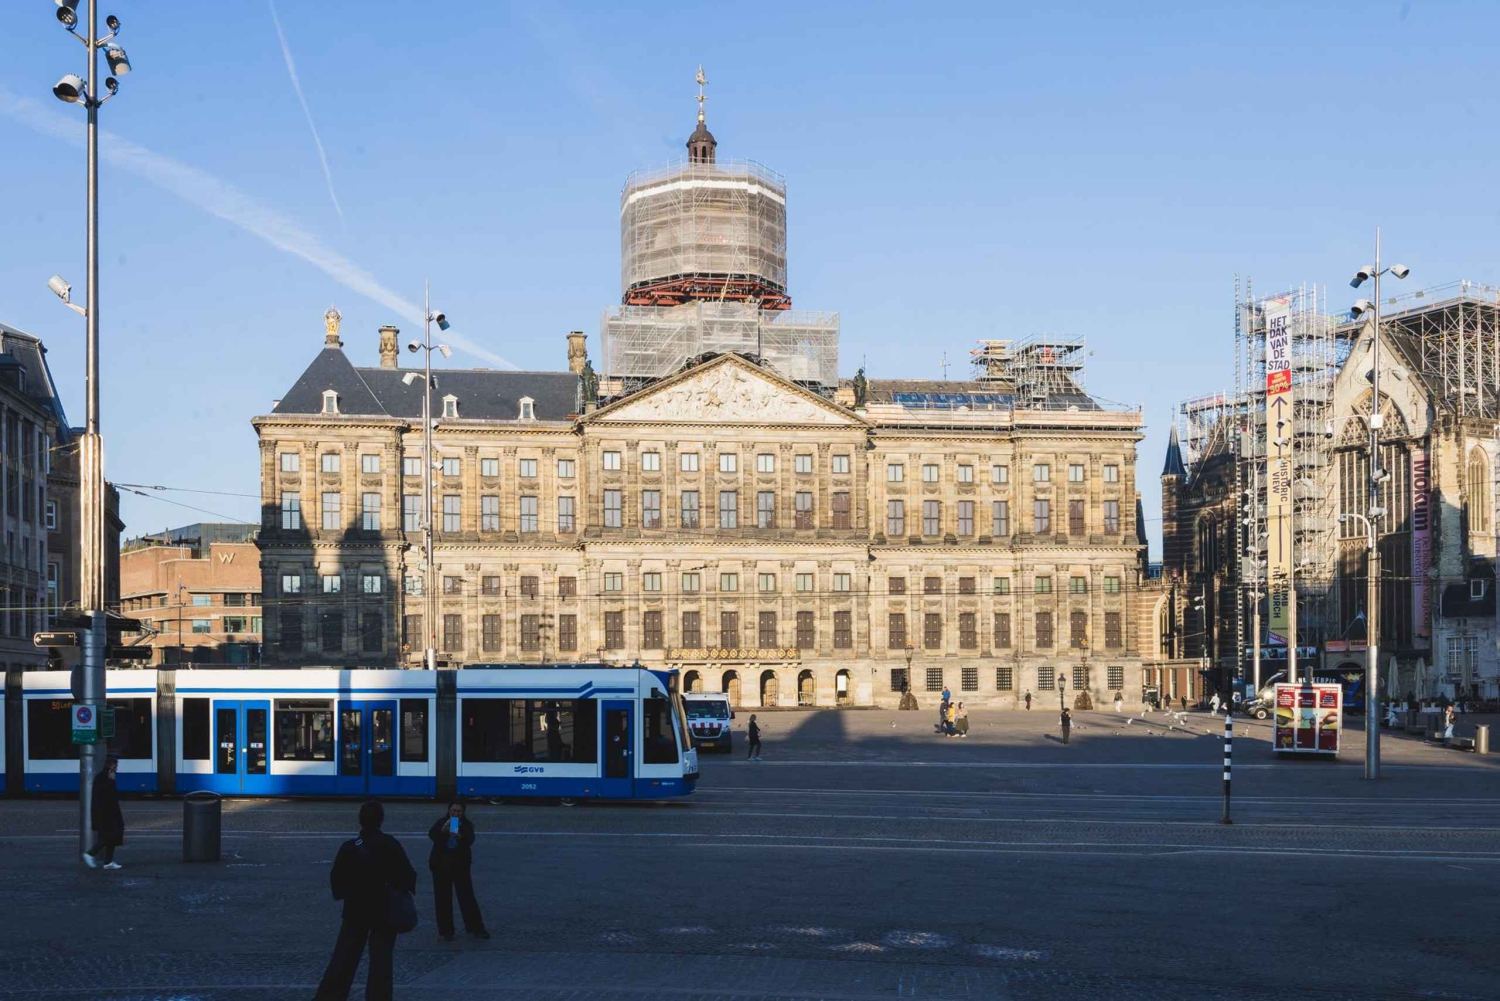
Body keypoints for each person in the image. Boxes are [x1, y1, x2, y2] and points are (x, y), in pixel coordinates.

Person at [314, 800, 418, 1001]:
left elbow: (337, 880)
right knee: (381, 962)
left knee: (344, 959)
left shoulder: (349, 847)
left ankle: (331, 996)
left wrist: (350, 892)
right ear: (381, 820)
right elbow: (408, 876)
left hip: (356, 911)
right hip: (384, 911)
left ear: (360, 821)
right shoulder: (391, 844)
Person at [428, 802, 489, 943]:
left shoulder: (466, 825)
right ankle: (446, 931)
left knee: (466, 898)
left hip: (460, 866)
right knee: (442, 900)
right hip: (441, 865)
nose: (455, 814)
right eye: (453, 811)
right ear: (448, 811)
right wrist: (443, 830)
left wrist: (459, 836)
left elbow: (470, 840)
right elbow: (432, 835)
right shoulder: (441, 822)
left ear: (463, 813)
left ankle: (475, 928)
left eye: (459, 811)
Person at [83, 758, 124, 870]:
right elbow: (104, 797)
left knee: (112, 837)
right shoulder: (103, 777)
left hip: (109, 814)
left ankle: (108, 862)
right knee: (108, 837)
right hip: (105, 815)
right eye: (116, 765)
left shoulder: (108, 776)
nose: (117, 767)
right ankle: (90, 853)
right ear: (111, 765)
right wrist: (111, 781)